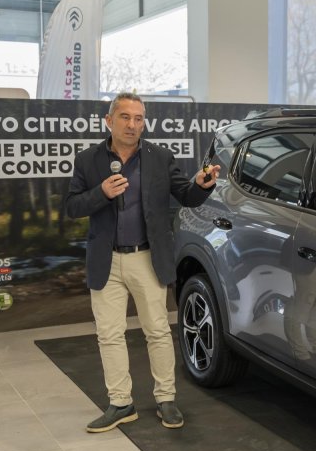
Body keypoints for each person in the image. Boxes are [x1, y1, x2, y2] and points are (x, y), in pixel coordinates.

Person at [65, 92, 220, 431]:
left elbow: (187, 195)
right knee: (109, 335)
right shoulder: (88, 160)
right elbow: (73, 206)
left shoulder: (160, 157)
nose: (132, 124)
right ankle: (121, 403)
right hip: (106, 261)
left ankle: (166, 399)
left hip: (148, 258)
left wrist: (202, 184)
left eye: (138, 118)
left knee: (158, 331)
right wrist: (101, 193)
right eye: (125, 117)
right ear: (109, 121)